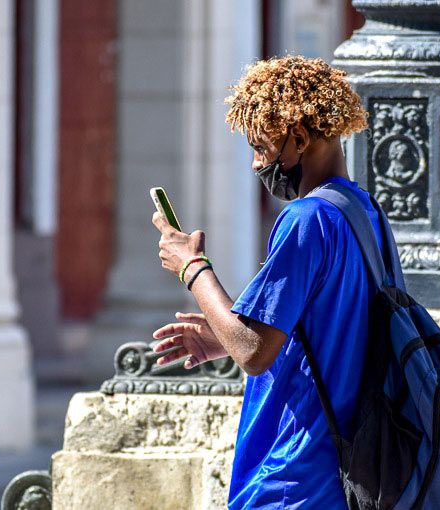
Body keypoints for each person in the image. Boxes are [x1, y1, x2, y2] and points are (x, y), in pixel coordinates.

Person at [151, 55, 382, 509]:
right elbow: (330, 332)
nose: (257, 164)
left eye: (261, 147)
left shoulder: (306, 218)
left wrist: (192, 267)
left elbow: (254, 354)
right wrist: (224, 334)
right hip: (347, 472)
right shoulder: (364, 213)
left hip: (295, 474)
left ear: (298, 136)